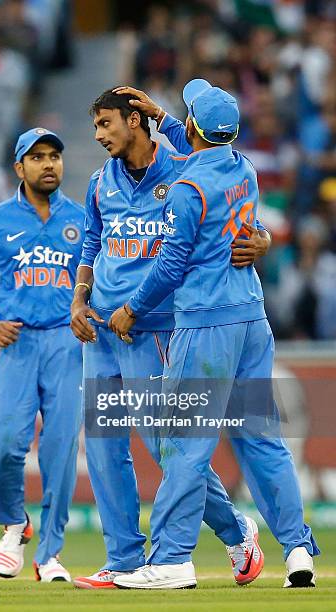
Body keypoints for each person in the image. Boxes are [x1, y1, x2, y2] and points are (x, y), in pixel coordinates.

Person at [108, 80, 320, 590]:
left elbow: (171, 266)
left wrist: (132, 309)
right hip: (252, 320)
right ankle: (297, 552)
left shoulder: (186, 189)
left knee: (184, 443)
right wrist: (163, 118)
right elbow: (204, 147)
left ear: (196, 129)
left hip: (206, 325)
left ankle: (173, 561)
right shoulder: (244, 169)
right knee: (261, 442)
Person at [70, 90, 271, 589]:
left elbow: (238, 207)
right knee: (103, 449)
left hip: (154, 329)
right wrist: (79, 297)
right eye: (95, 127)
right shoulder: (100, 182)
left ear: (135, 120)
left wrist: (261, 237)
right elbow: (93, 242)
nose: (98, 136)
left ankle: (235, 530)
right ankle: (122, 559)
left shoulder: (185, 168)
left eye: (105, 124)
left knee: (168, 448)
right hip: (101, 330)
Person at [0, 127, 84, 582]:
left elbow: (98, 279)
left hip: (66, 344)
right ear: (19, 168)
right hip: (14, 343)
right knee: (2, 444)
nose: (49, 164)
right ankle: (14, 522)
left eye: (54, 156)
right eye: (37, 158)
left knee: (60, 448)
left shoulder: (84, 219)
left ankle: (49, 554)